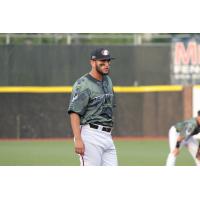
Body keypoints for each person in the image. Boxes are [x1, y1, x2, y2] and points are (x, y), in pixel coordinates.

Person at [68, 48, 118, 166]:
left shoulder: (108, 81)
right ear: (92, 62)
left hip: (107, 136)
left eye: (108, 61)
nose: (106, 64)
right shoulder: (83, 84)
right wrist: (78, 139)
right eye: (102, 61)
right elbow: (74, 112)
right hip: (90, 136)